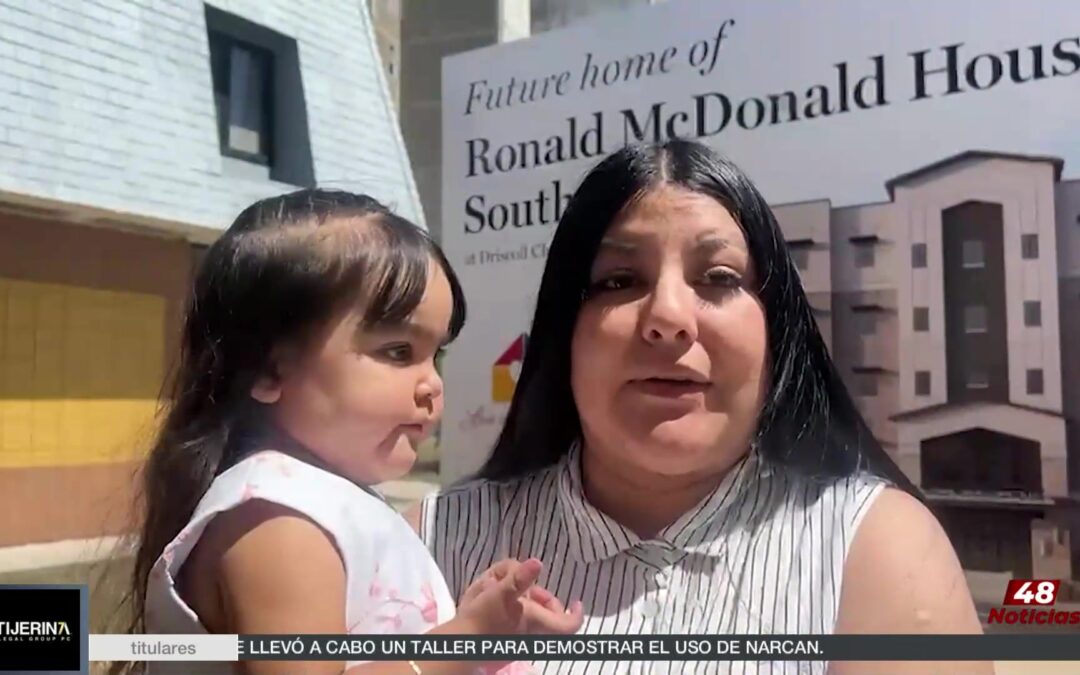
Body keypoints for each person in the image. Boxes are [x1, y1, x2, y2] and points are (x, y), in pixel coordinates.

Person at [415, 141, 991, 675]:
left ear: (778, 332)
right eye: (618, 280)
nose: (668, 317)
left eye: (718, 277)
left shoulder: (875, 548)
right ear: (564, 330)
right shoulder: (434, 542)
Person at [116, 190, 583, 675]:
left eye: (435, 355)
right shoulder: (277, 522)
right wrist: (464, 640)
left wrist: (477, 626)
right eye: (399, 352)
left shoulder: (323, 504)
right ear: (269, 368)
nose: (433, 384)